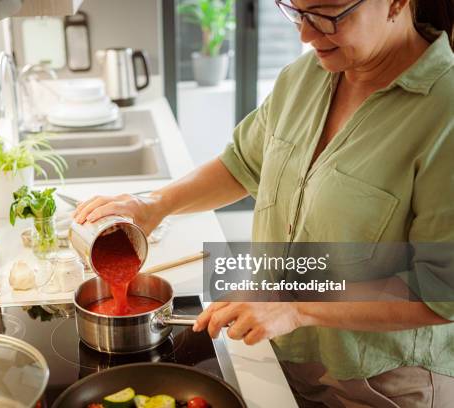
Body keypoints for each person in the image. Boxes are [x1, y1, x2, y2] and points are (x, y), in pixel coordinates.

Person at [74, 0, 454, 406]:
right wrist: (154, 204)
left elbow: (441, 289)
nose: (305, 35)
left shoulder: (444, 112)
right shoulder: (305, 76)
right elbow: (240, 164)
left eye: (327, 14)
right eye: (296, 12)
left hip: (379, 384)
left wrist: (298, 306)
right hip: (284, 353)